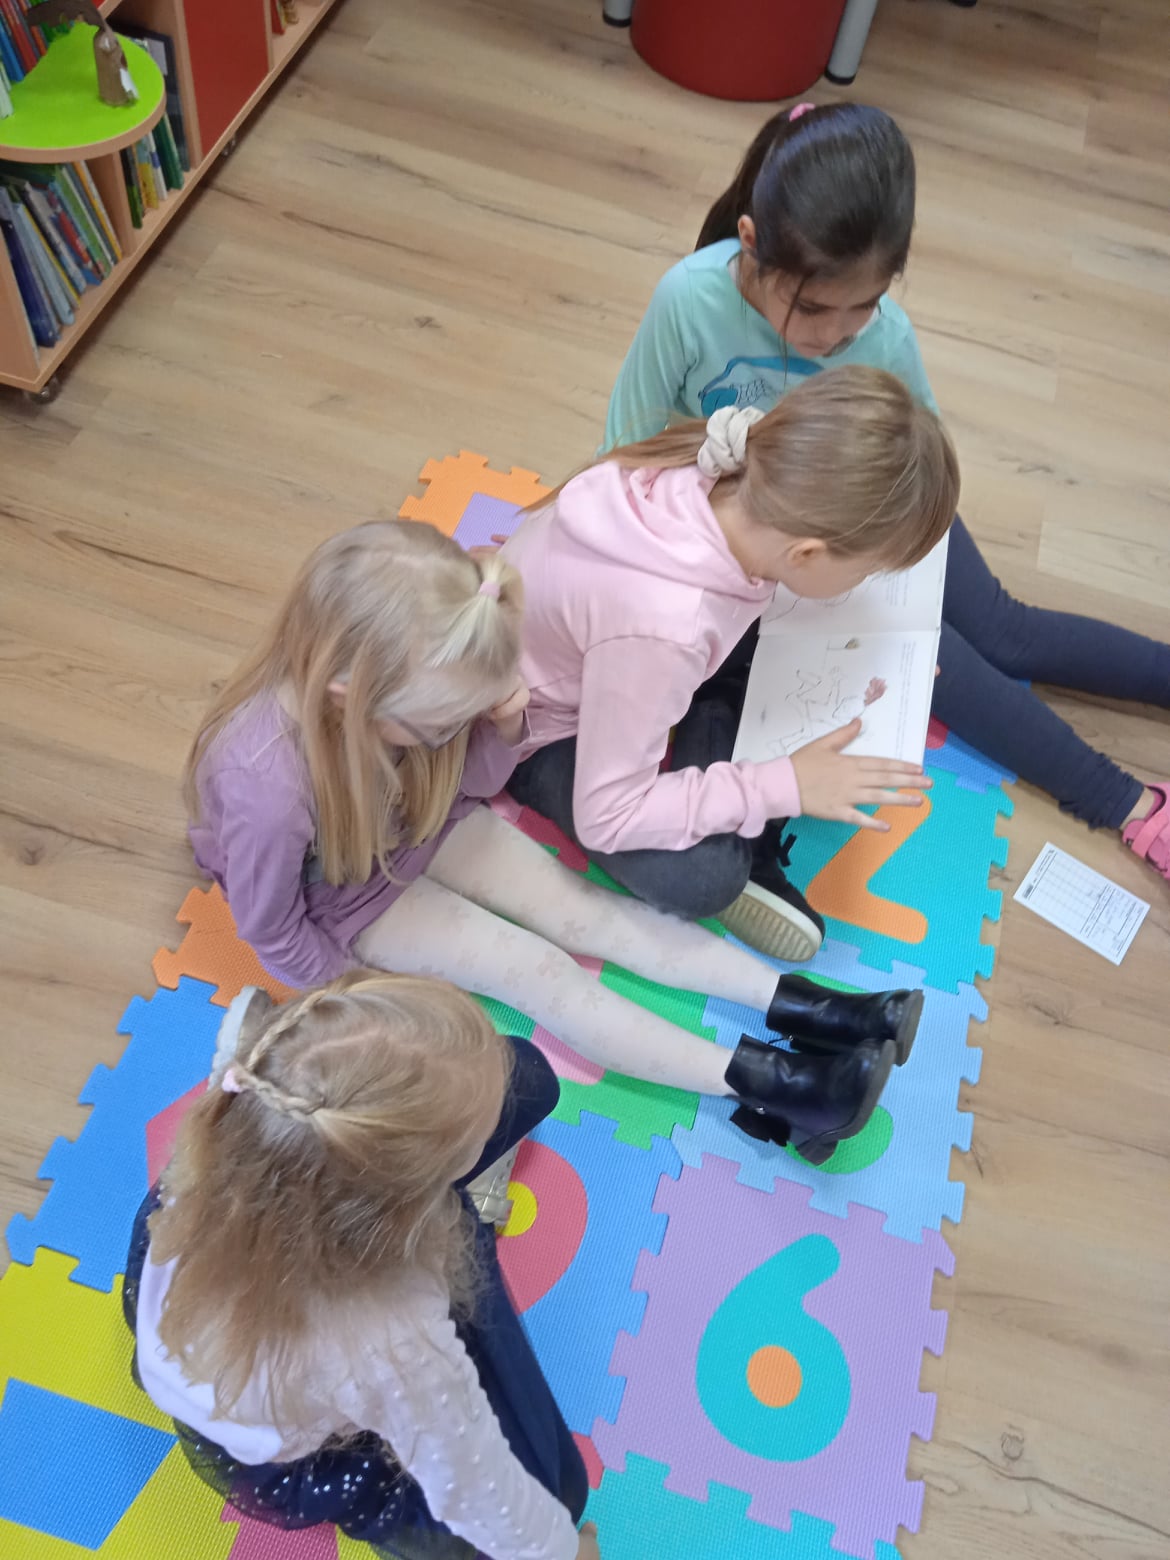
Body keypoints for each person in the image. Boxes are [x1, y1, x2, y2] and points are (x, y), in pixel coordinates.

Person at [184, 518, 920, 1165]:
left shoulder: (411, 691)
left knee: (588, 911)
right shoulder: (263, 787)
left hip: (419, 826)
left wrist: (503, 730)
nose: (445, 734)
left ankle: (823, 1012)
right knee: (541, 974)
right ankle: (785, 1088)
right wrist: (357, 994)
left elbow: (466, 785)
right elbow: (271, 929)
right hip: (346, 900)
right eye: (435, 727)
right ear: (353, 697)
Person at [602, 100, 1170, 885]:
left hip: (879, 518)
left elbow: (921, 458)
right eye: (813, 306)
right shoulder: (688, 302)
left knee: (1003, 634)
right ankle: (1131, 805)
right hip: (768, 546)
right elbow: (623, 458)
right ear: (752, 244)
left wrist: (891, 579)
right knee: (942, 663)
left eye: (863, 305)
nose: (834, 333)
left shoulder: (885, 335)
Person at [122, 969, 600, 1560]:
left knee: (525, 1074)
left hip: (204, 1304)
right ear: (401, 1206)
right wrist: (563, 1552)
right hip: (285, 1450)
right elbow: (480, 1487)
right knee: (561, 1490)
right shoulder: (395, 1334)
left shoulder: (233, 1128)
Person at [505, 366, 959, 963]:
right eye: (866, 571)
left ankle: (739, 765)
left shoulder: (726, 466)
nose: (865, 582)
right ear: (806, 552)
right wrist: (783, 785)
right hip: (535, 733)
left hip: (621, 662)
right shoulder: (665, 626)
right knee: (706, 878)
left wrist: (876, 659)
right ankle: (752, 814)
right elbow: (607, 817)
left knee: (786, 640)